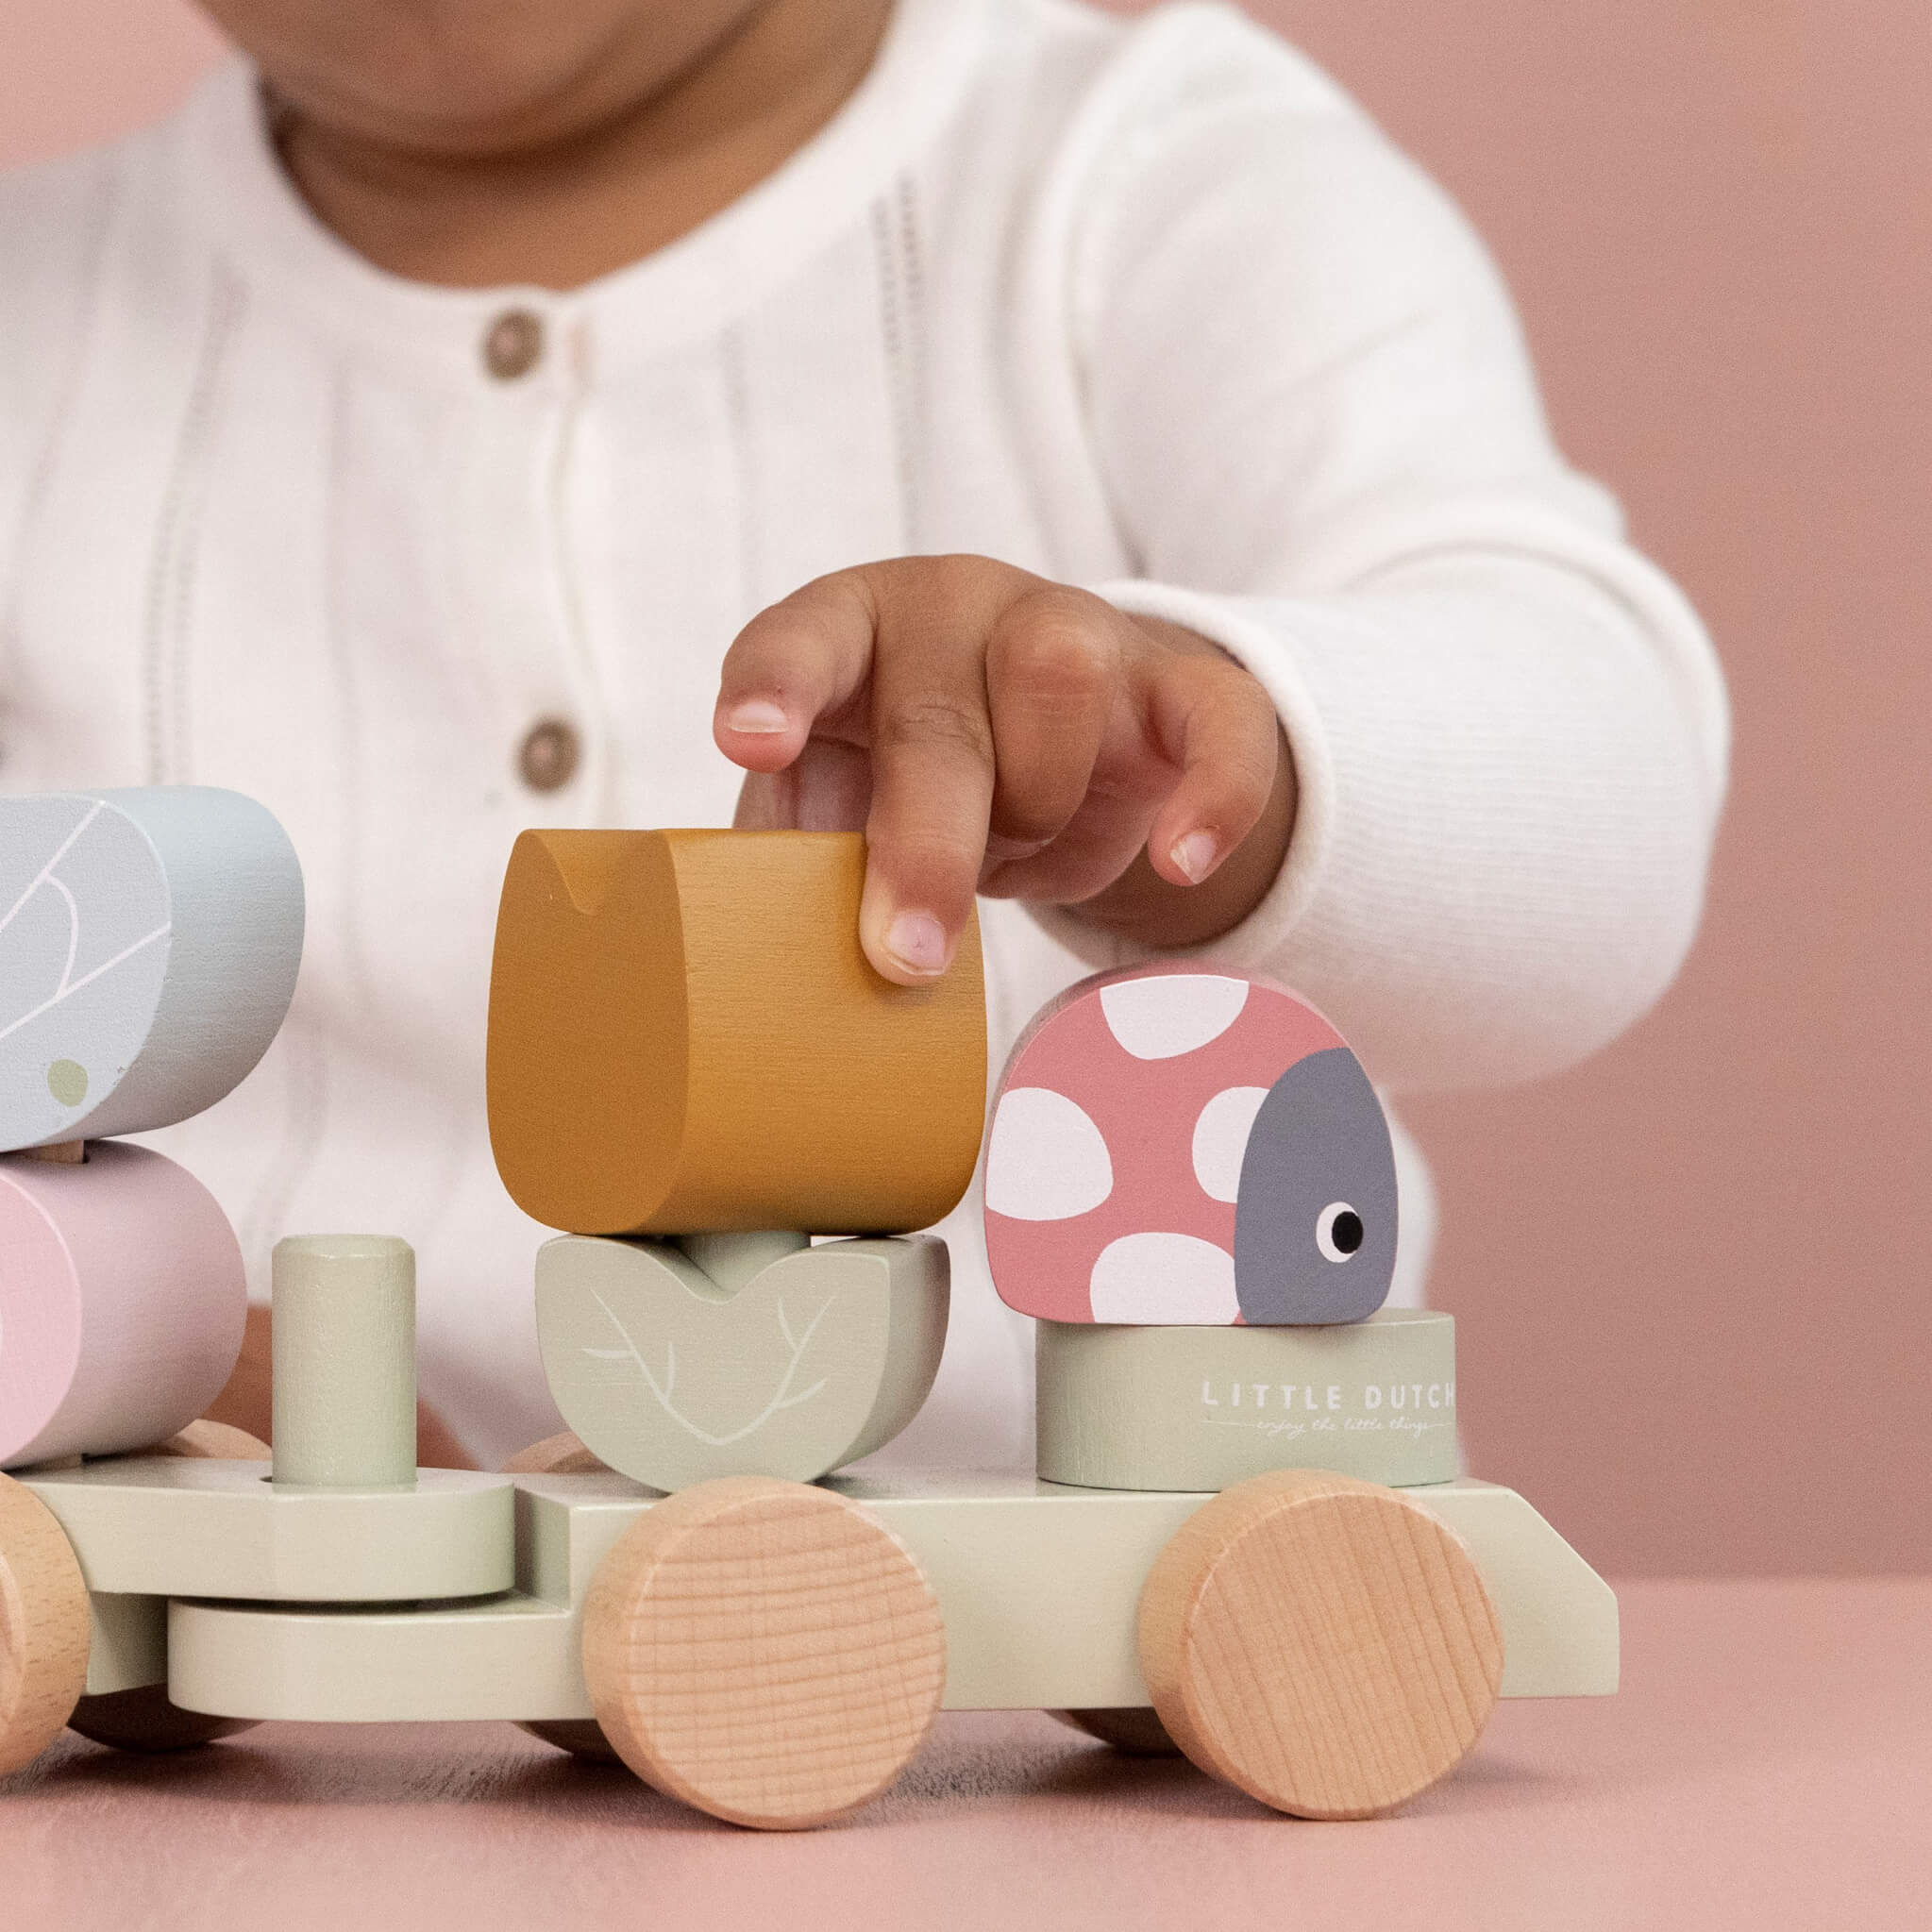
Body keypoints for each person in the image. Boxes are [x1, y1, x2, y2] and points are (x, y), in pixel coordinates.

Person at [0, 0, 1727, 1470]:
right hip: (238, 1674)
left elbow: (1600, 782)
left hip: (1084, 1634)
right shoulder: (41, 302)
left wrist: (1209, 743)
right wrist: (102, 1342)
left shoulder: (1145, 175)